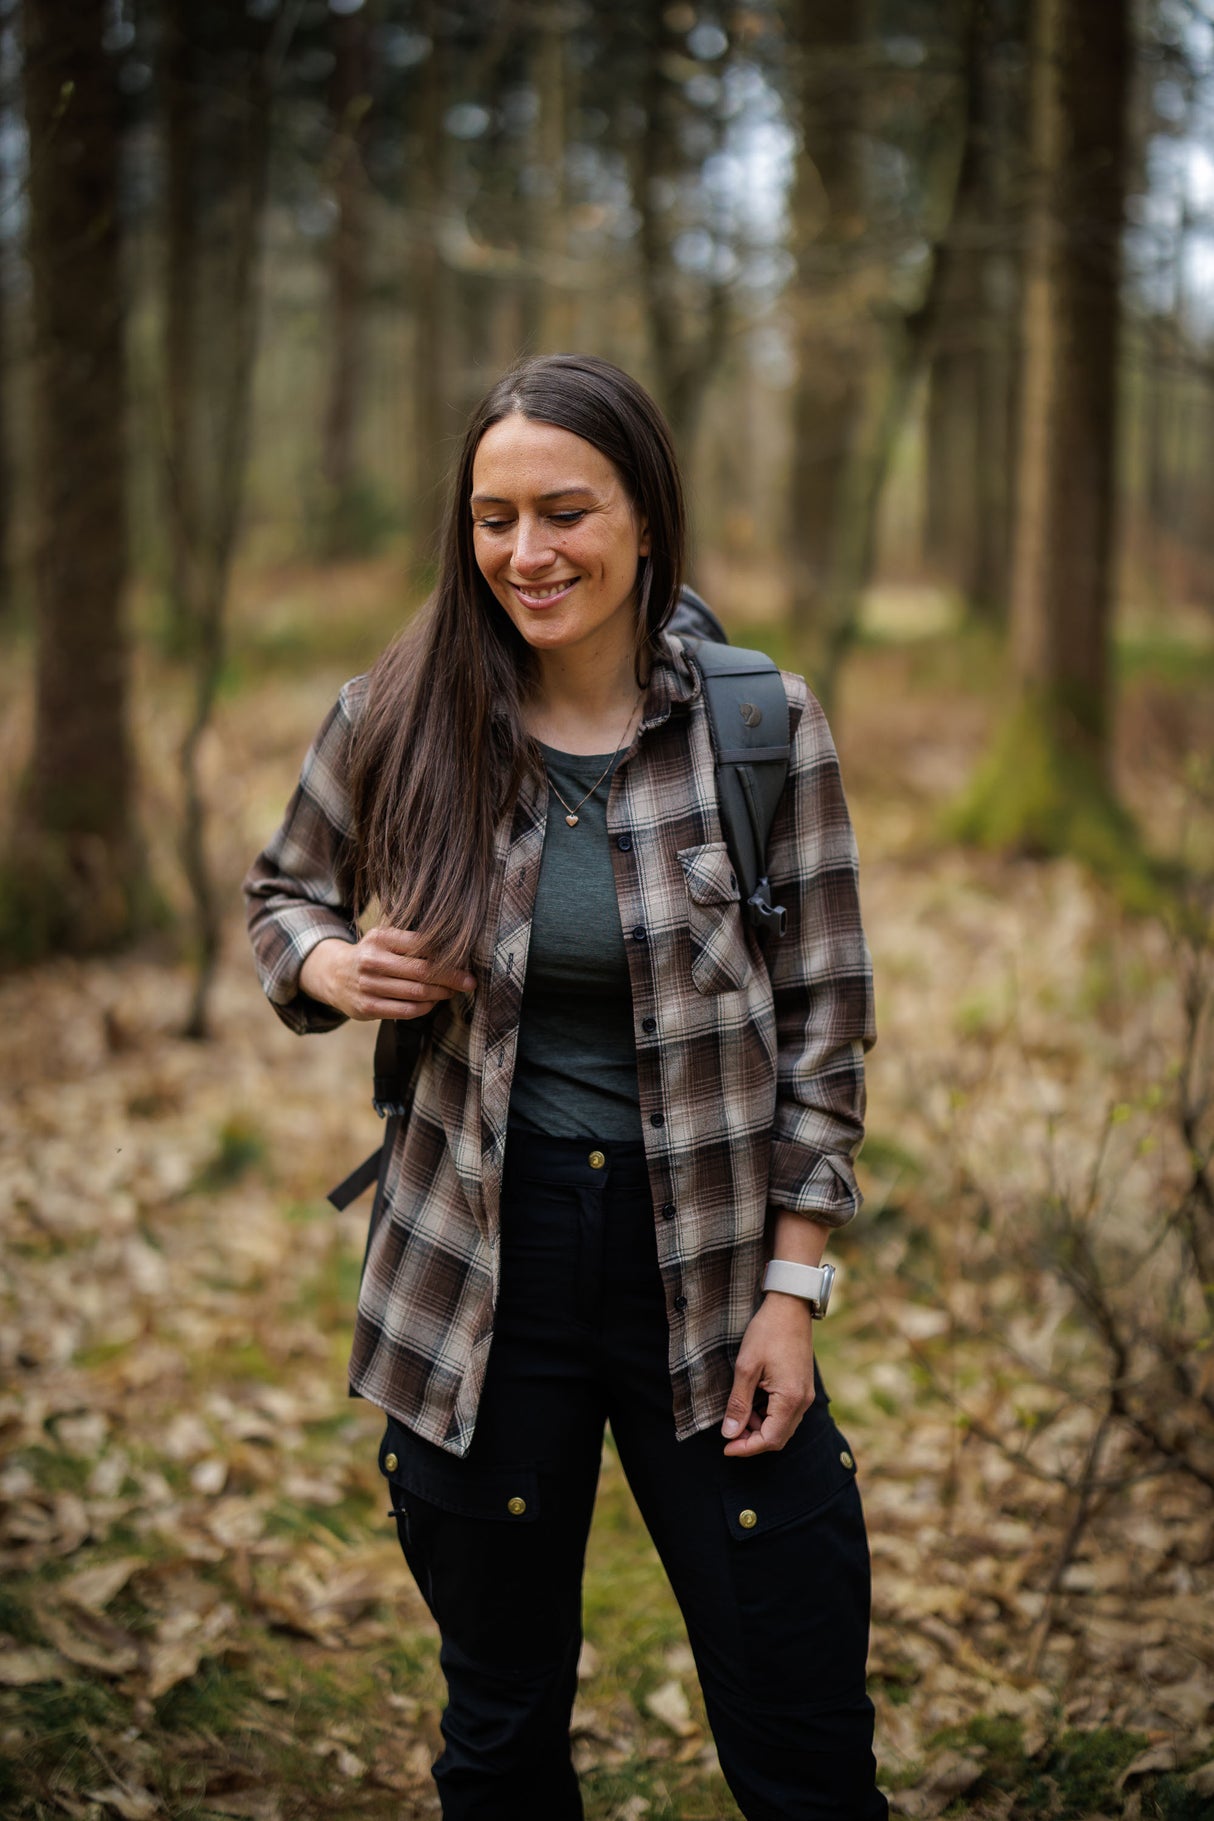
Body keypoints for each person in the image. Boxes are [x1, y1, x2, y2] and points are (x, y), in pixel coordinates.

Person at [244, 353, 886, 1821]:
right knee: (500, 1724)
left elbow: (827, 1021)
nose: (526, 553)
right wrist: (332, 965)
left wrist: (795, 1288)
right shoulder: (396, 713)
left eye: (565, 512)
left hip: (709, 1263)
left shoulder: (760, 726)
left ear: (645, 515)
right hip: (482, 1264)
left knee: (800, 1727)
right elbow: (282, 893)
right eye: (493, 518)